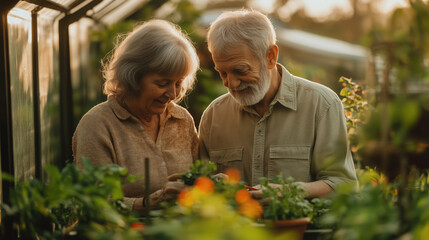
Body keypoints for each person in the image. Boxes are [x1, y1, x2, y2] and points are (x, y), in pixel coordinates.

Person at [199, 10, 357, 198]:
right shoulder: (214, 116)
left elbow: (343, 185)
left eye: (240, 70)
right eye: (222, 73)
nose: (231, 84)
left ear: (271, 57)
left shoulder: (322, 104)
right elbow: (200, 188)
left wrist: (289, 192)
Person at [72, 19, 199, 212]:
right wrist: (145, 204)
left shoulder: (182, 119)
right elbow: (91, 203)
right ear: (132, 76)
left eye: (178, 83)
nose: (173, 94)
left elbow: (197, 179)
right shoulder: (98, 125)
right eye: (162, 83)